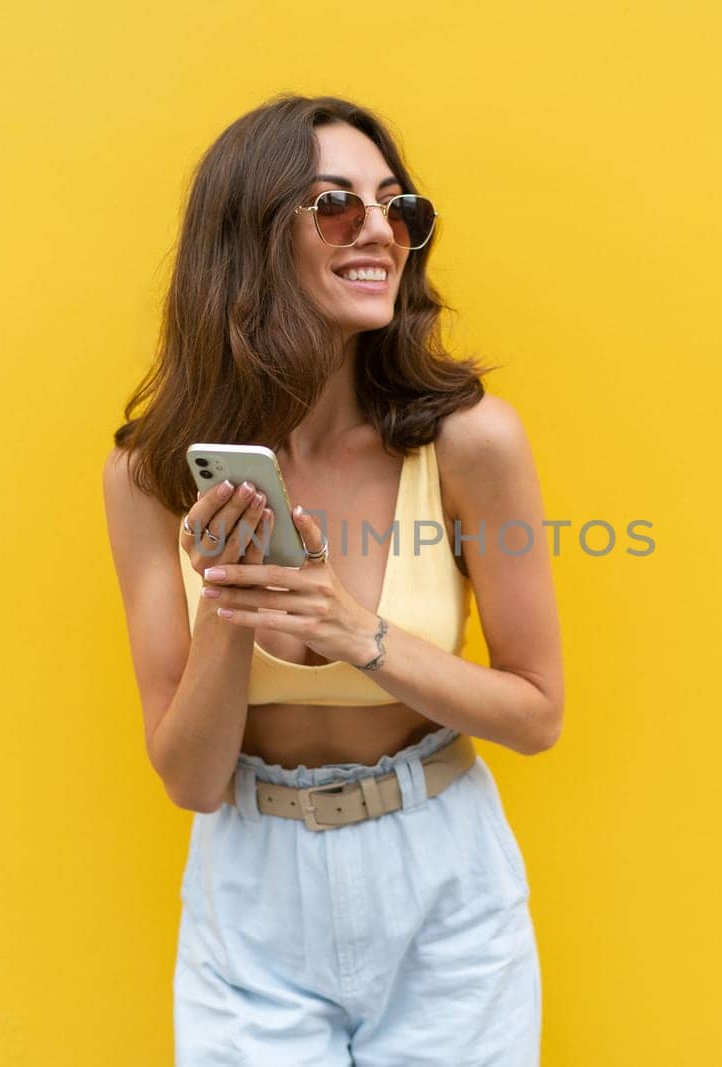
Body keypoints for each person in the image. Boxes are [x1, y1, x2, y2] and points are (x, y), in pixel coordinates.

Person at [102, 93, 563, 1065]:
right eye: (335, 205)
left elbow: (535, 713)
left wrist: (362, 632)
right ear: (251, 235)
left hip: (441, 880)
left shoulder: (471, 442)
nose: (380, 232)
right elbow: (189, 778)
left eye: (398, 208)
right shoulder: (149, 471)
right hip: (252, 885)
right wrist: (232, 601)